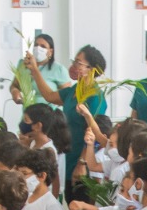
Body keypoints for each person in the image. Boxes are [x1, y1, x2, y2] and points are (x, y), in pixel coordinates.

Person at [22, 44, 107, 191]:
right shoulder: (74, 90)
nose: (73, 66)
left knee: (80, 202)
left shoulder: (94, 96)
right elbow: (49, 96)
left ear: (92, 70)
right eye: (74, 61)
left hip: (82, 158)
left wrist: (82, 163)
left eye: (78, 63)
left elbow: (92, 132)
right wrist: (35, 70)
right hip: (68, 154)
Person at [11, 33, 68, 101]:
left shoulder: (58, 69)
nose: (38, 48)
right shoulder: (23, 64)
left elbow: (67, 96)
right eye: (36, 45)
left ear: (50, 51)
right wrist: (14, 91)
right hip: (28, 109)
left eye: (43, 46)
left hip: (49, 110)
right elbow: (14, 85)